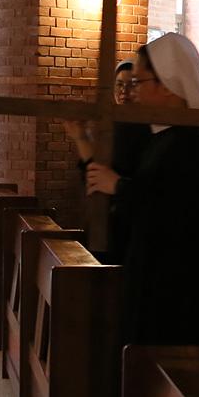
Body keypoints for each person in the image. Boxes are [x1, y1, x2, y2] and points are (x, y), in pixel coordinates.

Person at [86, 34, 199, 349]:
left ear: (167, 85)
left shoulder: (192, 143)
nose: (134, 91)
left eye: (139, 82)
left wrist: (119, 186)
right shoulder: (163, 138)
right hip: (153, 273)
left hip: (177, 287)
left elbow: (175, 211)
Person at [65, 59, 148, 261]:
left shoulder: (148, 129)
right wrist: (80, 136)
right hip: (104, 219)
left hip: (131, 223)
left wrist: (116, 184)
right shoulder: (111, 126)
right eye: (119, 85)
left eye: (132, 84)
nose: (124, 91)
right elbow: (94, 172)